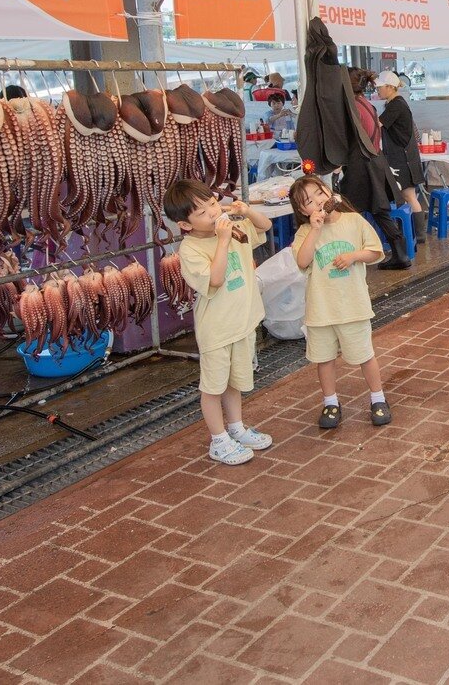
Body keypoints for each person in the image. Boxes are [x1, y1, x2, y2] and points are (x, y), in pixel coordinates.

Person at [165, 180, 274, 466]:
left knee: (234, 381)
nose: (212, 213)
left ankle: (236, 428)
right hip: (217, 329)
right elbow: (214, 279)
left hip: (242, 321)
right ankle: (218, 439)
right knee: (213, 386)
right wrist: (223, 241)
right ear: (185, 225)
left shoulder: (235, 226)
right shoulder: (190, 249)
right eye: (201, 213)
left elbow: (265, 227)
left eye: (212, 203)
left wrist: (247, 212)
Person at [290, 174, 393, 430]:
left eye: (319, 194)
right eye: (308, 202)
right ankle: (330, 402)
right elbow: (302, 261)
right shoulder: (305, 232)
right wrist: (314, 228)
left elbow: (375, 251)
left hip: (353, 306)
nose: (317, 202)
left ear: (329, 192)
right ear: (302, 211)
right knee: (324, 359)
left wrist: (353, 256)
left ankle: (378, 398)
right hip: (321, 310)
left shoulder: (353, 220)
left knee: (364, 355)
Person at [345, 68, 412, 270]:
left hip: (363, 165)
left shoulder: (355, 106)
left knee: (349, 210)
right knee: (378, 211)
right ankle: (400, 254)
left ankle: (353, 253)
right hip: (375, 161)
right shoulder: (367, 104)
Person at [374, 70, 427, 243]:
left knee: (409, 196)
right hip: (402, 156)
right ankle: (415, 233)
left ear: (390, 87)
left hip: (403, 158)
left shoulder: (396, 104)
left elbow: (377, 124)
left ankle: (419, 235)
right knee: (408, 196)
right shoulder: (394, 104)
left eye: (380, 87)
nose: (378, 91)